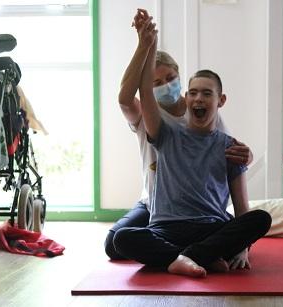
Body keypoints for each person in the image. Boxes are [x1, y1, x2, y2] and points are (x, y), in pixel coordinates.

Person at [112, 12, 271, 278]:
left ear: (220, 101)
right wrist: (147, 43)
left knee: (260, 219)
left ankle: (184, 257)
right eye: (194, 93)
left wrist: (243, 246)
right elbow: (137, 94)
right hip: (163, 218)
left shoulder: (225, 140)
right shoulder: (163, 131)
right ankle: (202, 255)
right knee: (121, 239)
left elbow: (243, 207)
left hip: (209, 224)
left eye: (207, 94)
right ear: (187, 97)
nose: (199, 98)